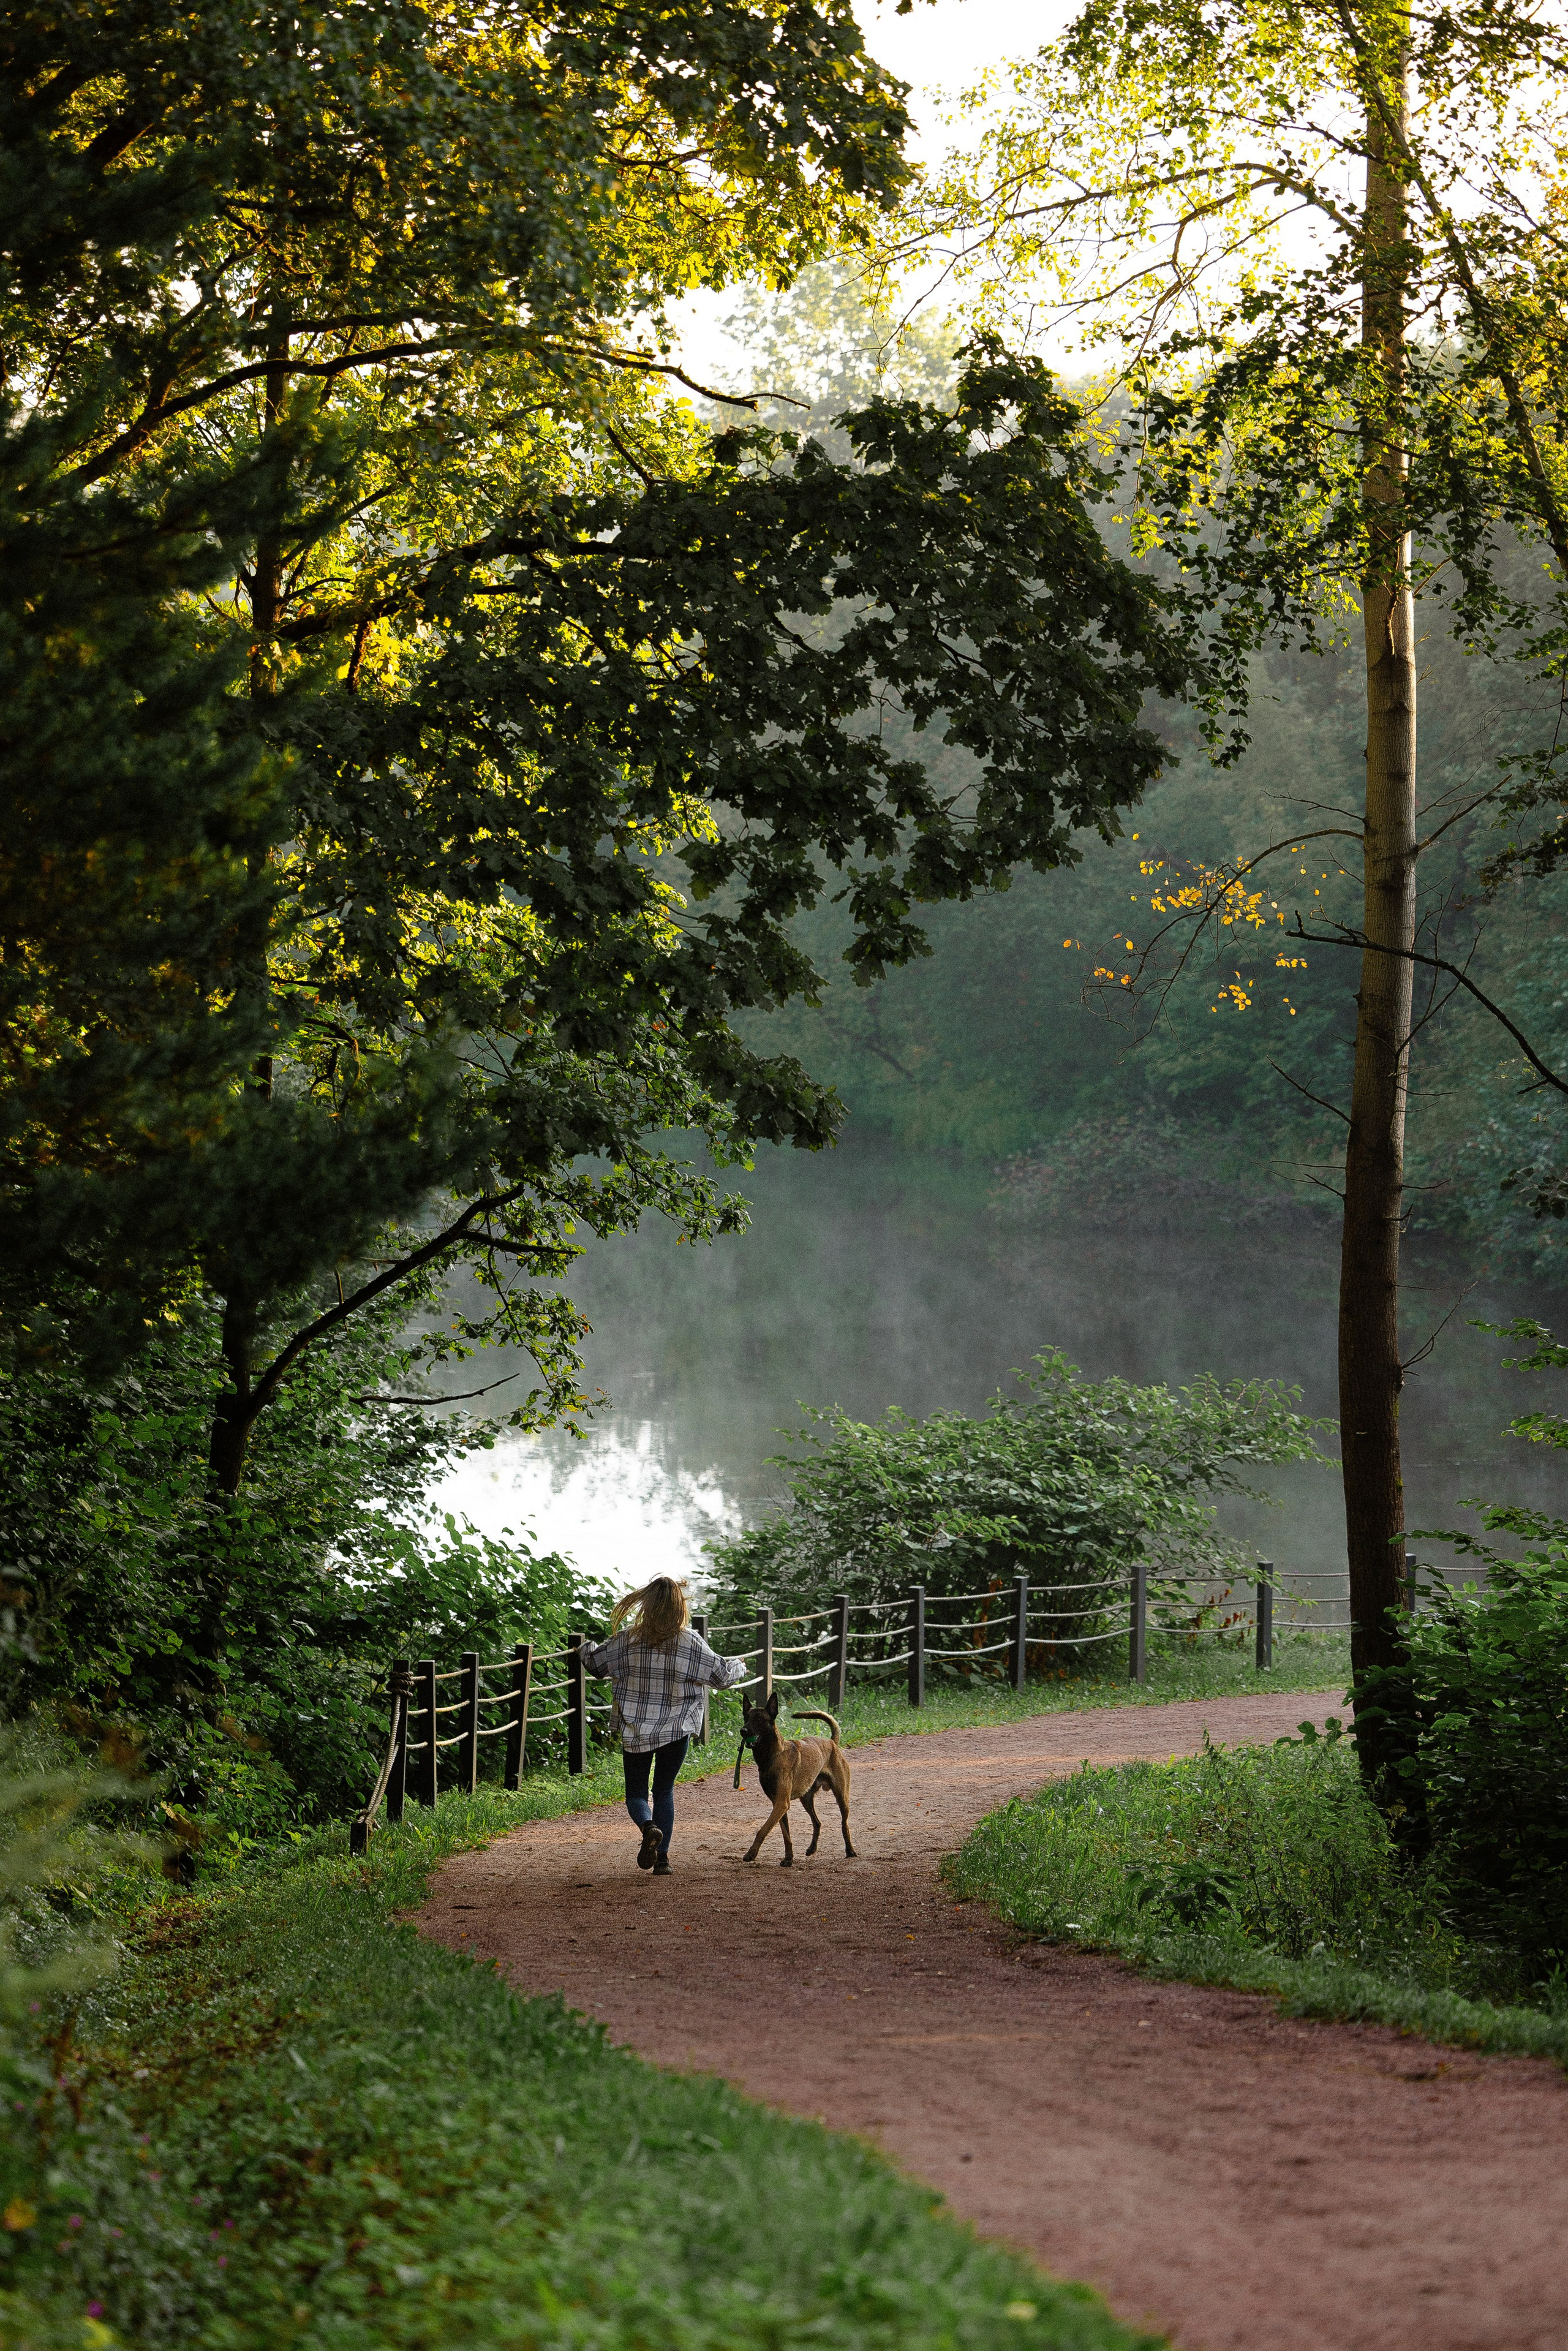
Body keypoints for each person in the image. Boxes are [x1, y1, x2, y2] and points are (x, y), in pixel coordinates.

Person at [581, 1577, 747, 1874]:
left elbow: (595, 1665)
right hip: (676, 1729)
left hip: (636, 1731)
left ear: (647, 1605)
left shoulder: (627, 1640)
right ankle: (663, 1860)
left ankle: (648, 1827)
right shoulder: (690, 1642)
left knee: (636, 1794)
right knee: (664, 1790)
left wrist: (583, 1647)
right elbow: (722, 1677)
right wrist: (740, 1665)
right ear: (679, 1607)